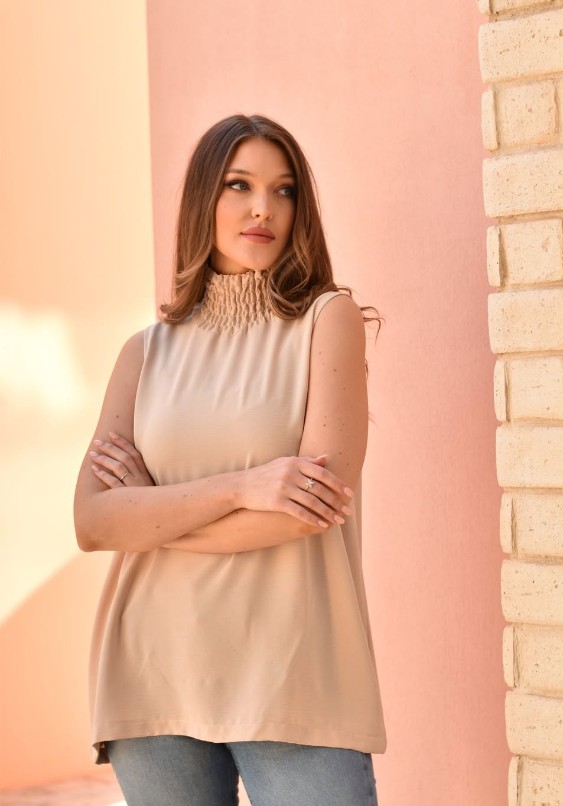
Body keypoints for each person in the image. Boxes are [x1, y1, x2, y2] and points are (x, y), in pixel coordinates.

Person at [74, 113, 386, 806]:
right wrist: (246, 486)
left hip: (295, 674)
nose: (262, 208)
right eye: (239, 185)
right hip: (152, 668)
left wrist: (151, 516)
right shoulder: (144, 352)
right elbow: (93, 523)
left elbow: (309, 510)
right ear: (202, 200)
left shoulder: (327, 320)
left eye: (284, 190)